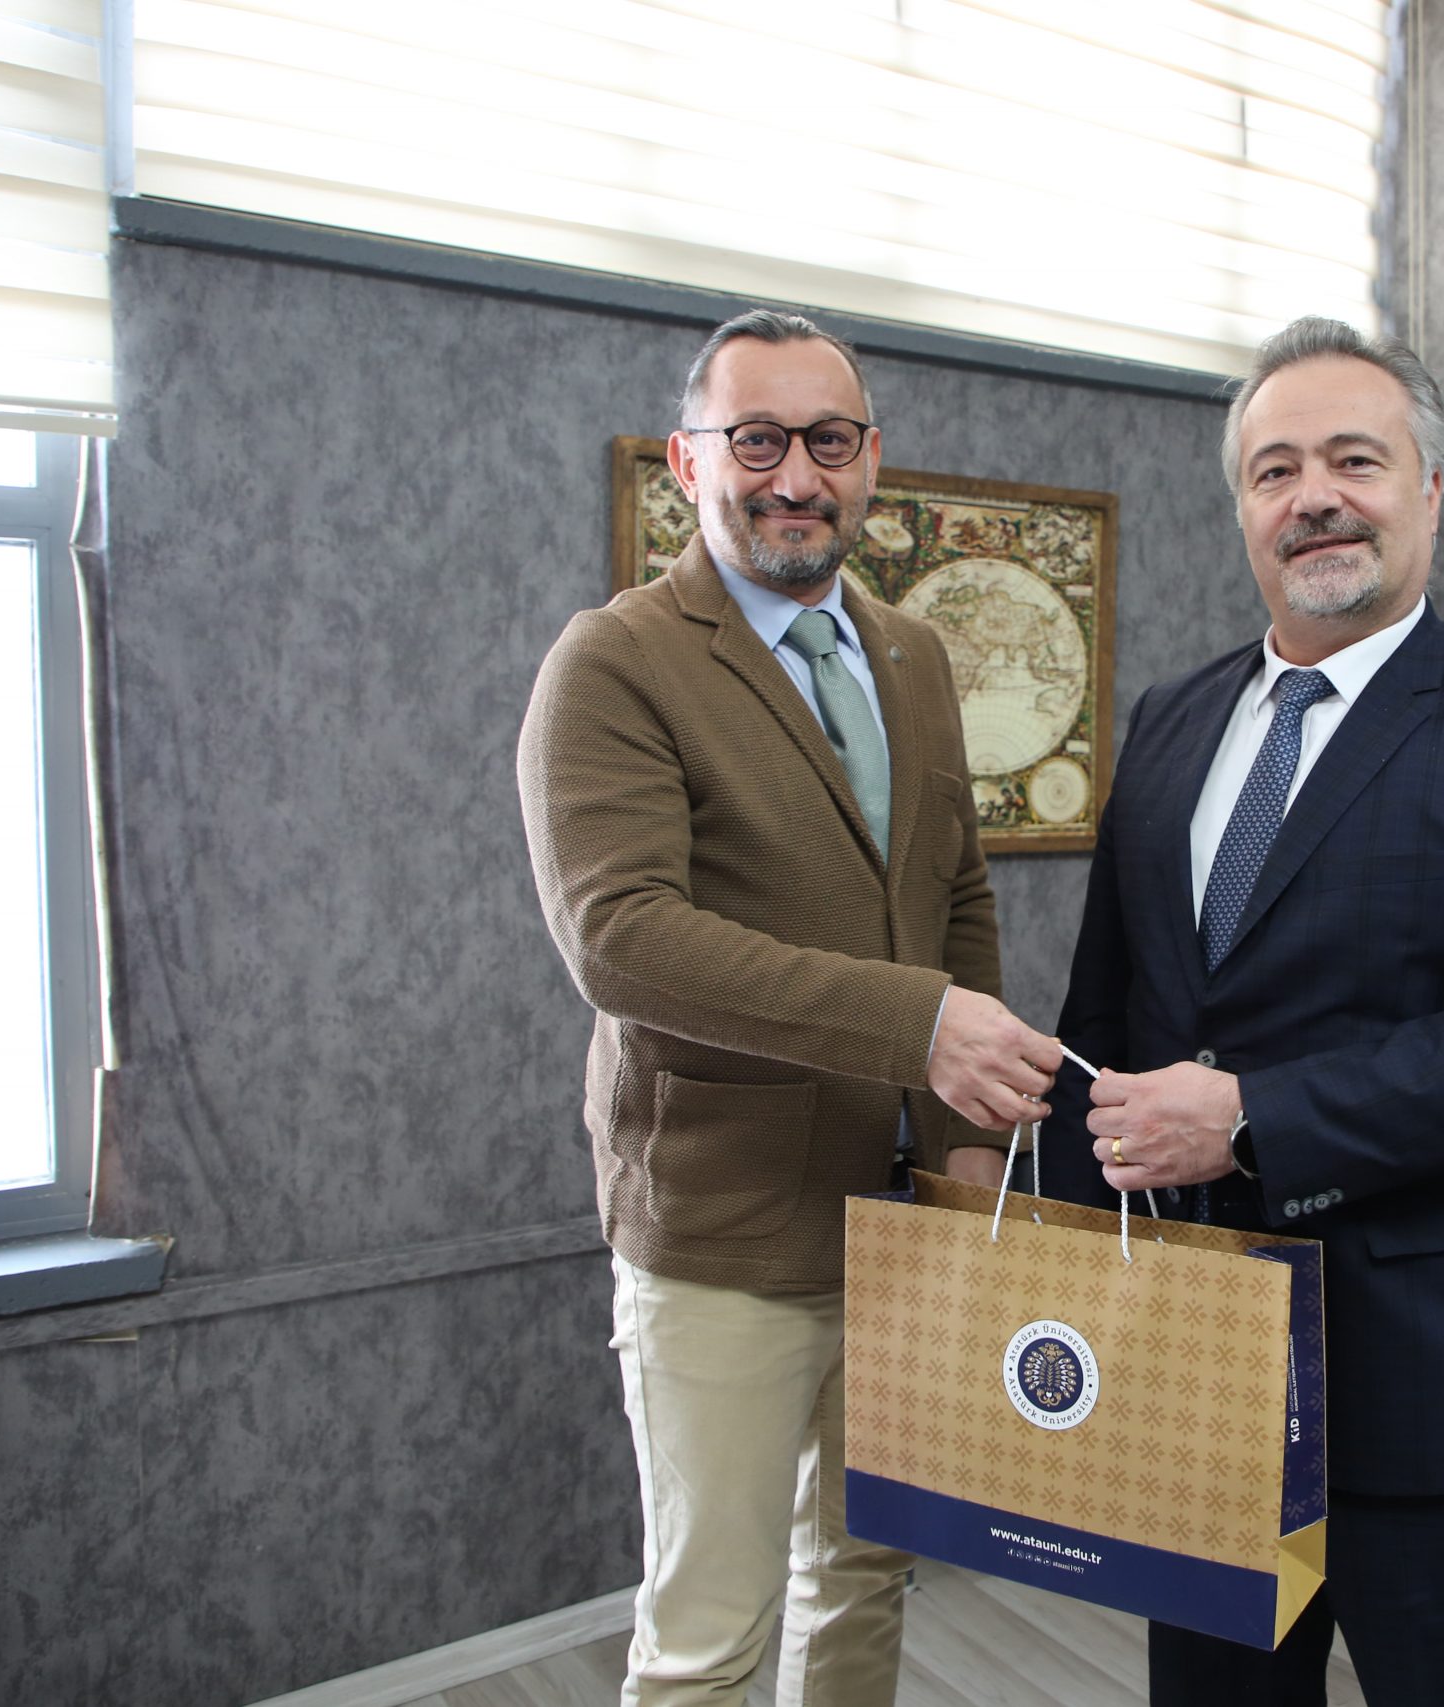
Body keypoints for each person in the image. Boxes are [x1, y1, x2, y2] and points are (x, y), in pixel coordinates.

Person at [1040, 316, 1444, 1704]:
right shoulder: (1171, 721)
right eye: (1276, 470)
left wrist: (1253, 1117)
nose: (1314, 496)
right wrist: (1066, 1275)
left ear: (1430, 490)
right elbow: (1106, 1013)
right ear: (1244, 510)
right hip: (1194, 1370)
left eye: (1355, 461)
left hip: (1431, 1382)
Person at [517, 309, 1062, 1707]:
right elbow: (623, 943)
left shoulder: (913, 656)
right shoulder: (616, 661)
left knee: (867, 1575)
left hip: (904, 1222)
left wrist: (969, 1140)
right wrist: (917, 1024)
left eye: (828, 440)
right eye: (755, 441)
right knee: (712, 1634)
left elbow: (954, 899)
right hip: (726, 1229)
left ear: (871, 458)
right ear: (689, 461)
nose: (796, 477)